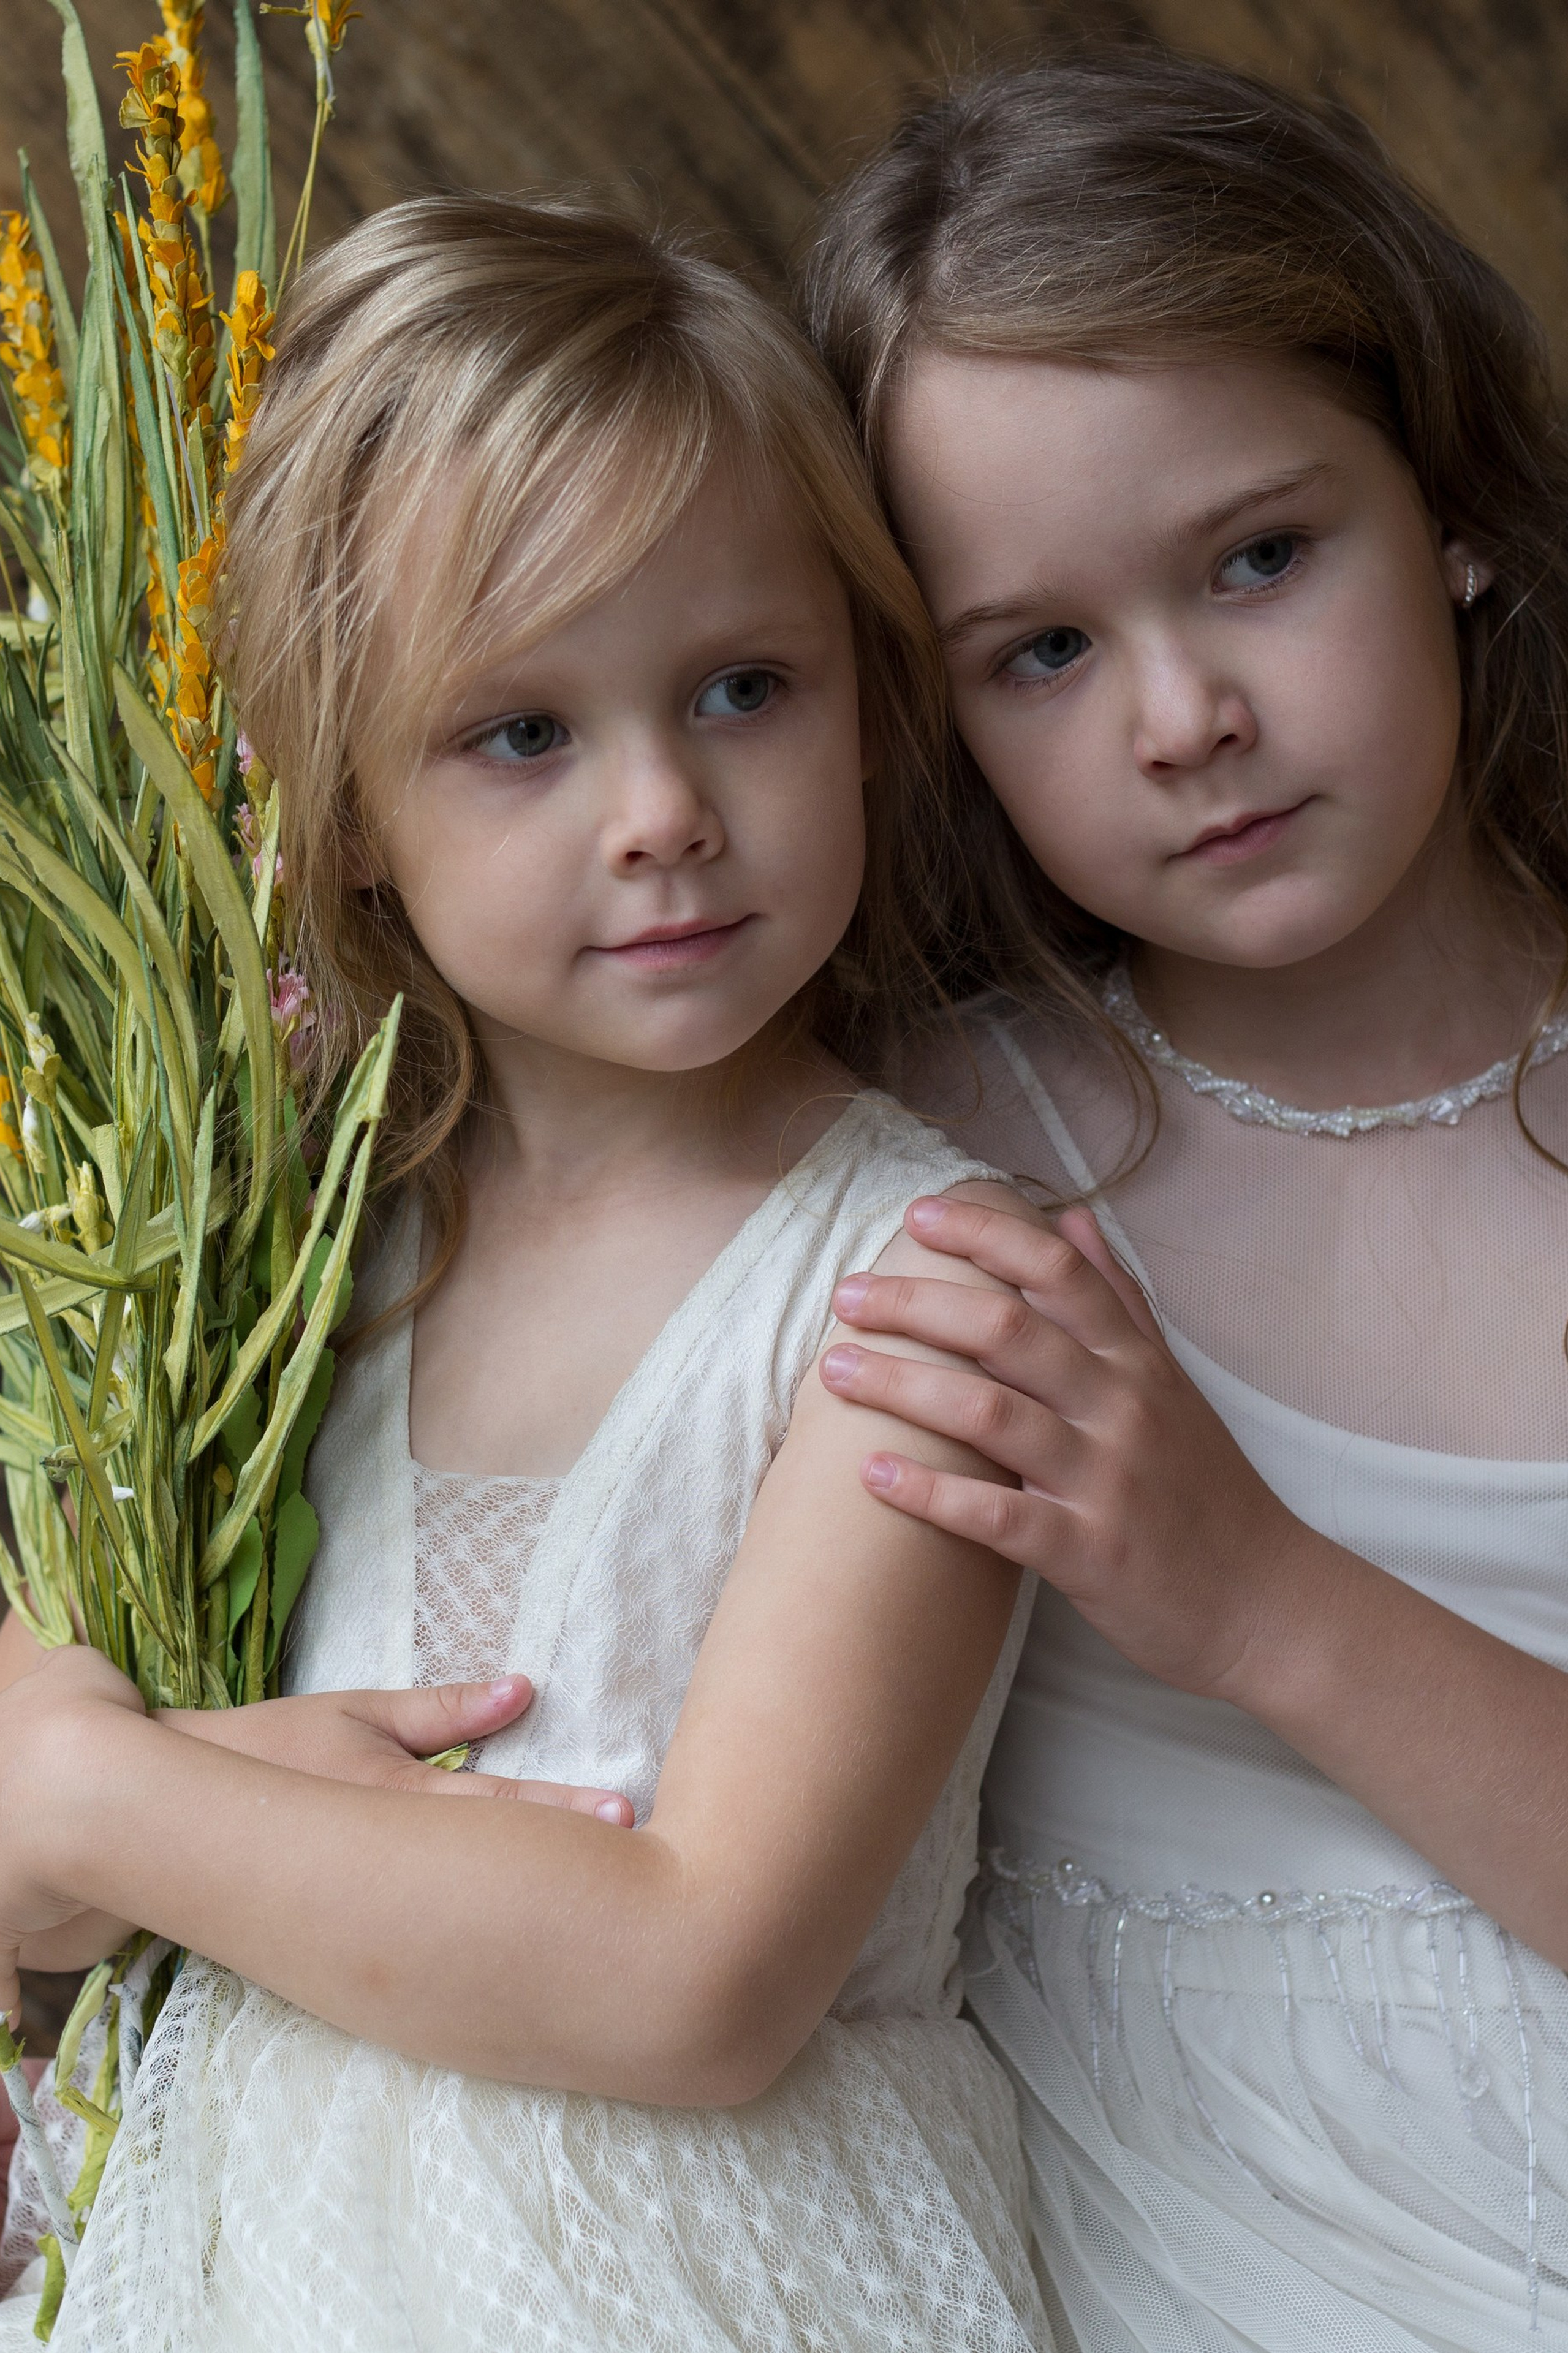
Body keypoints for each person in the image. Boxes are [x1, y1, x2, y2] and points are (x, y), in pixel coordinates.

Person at [0, 195, 1053, 2351]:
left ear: (870, 699)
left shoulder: (923, 1290)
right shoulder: (253, 1254)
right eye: (523, 733)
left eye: (743, 687)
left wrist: (110, 1795)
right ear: (352, 803)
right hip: (243, 2253)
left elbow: (701, 1975)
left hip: (721, 2272)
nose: (663, 807)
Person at [803, 50, 1568, 2351]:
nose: (1183, 717)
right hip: (1126, 2253)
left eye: (1258, 557)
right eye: (1044, 651)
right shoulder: (921, 1147)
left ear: (1445, 498)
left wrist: (1249, 1593)